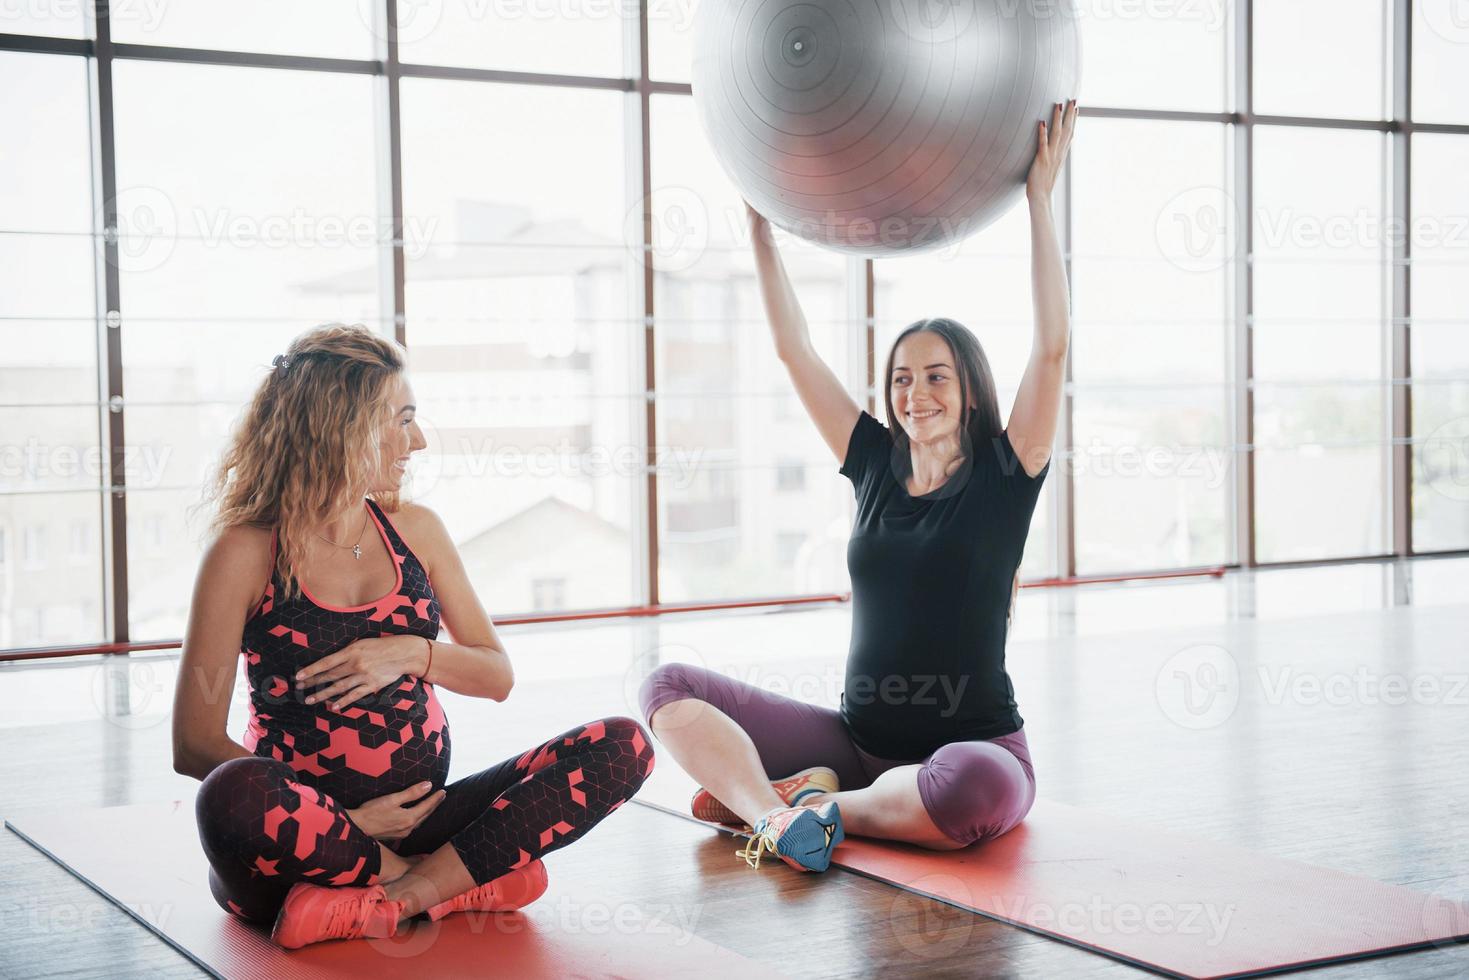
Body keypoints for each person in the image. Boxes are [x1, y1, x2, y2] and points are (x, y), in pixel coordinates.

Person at [639, 100, 1078, 871]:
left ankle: (810, 807)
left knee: (972, 791)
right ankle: (782, 812)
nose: (915, 394)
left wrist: (1039, 202)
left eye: (935, 376)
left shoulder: (1007, 472)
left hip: (969, 746)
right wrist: (760, 234)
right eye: (901, 379)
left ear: (970, 389)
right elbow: (794, 351)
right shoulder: (872, 460)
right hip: (854, 739)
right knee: (668, 686)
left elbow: (1051, 349)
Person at [172, 324, 655, 948]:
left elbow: (495, 675)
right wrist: (340, 822)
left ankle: (398, 897)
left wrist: (409, 652)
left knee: (623, 745)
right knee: (230, 796)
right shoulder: (243, 553)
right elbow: (193, 743)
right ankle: (444, 886)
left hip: (426, 819)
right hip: (297, 845)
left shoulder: (417, 532)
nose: (418, 441)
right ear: (340, 427)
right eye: (401, 420)